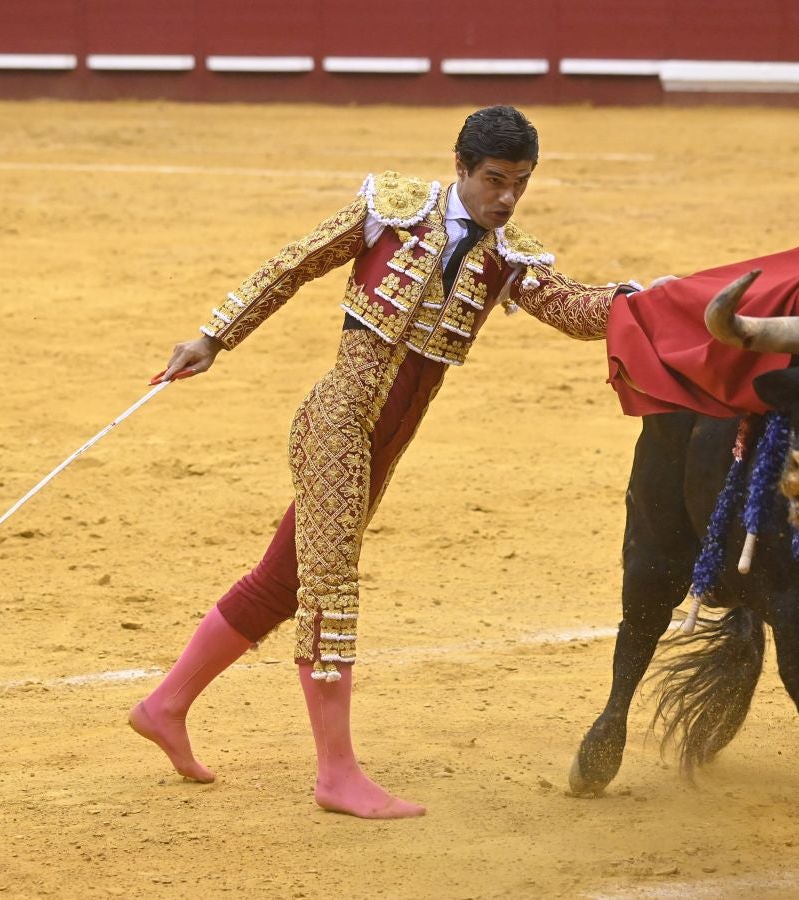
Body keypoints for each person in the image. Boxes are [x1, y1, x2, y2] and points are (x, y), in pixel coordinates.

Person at [128, 105, 644, 818]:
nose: (506, 197)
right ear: (460, 168)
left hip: (385, 444)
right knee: (330, 591)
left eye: (520, 183)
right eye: (495, 179)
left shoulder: (508, 257)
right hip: (336, 425)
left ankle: (164, 705)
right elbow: (294, 264)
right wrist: (215, 337)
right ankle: (336, 774)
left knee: (283, 582)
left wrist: (640, 302)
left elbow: (570, 306)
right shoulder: (392, 211)